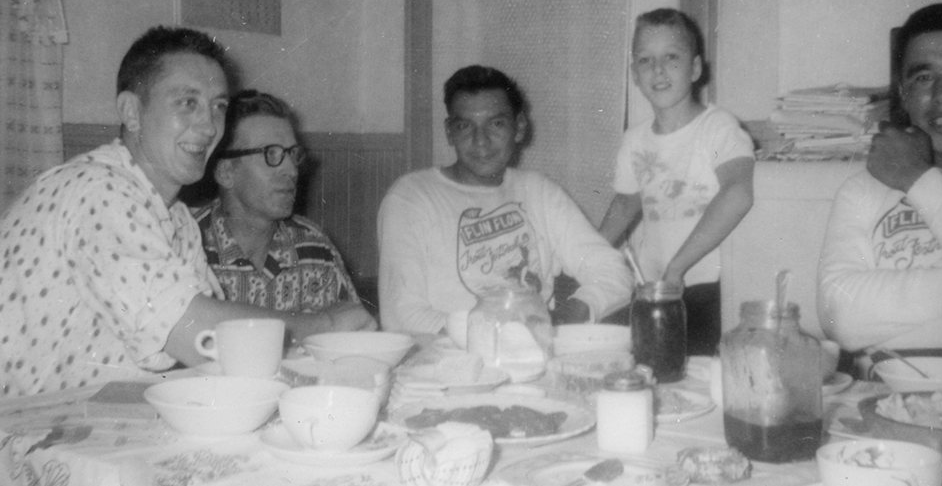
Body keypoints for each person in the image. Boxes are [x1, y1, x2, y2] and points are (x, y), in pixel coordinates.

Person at [0, 26, 375, 397]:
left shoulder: (176, 219)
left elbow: (210, 359)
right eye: (187, 102)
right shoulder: (99, 190)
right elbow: (198, 334)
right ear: (131, 111)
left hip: (72, 425)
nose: (209, 125)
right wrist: (324, 323)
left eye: (218, 107)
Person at [377, 64, 633, 335]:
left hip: (532, 361)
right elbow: (401, 315)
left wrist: (576, 310)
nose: (481, 141)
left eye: (496, 124)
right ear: (449, 132)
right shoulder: (410, 197)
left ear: (519, 128)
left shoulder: (540, 192)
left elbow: (613, 270)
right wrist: (499, 336)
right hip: (446, 365)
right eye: (465, 126)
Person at [818, 2, 942, 365]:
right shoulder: (863, 189)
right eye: (923, 78)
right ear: (903, 94)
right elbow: (838, 315)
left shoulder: (907, 178)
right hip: (884, 396)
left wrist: (916, 178)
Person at [598, 8, 755, 355]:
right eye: (645, 60)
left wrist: (677, 268)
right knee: (609, 343)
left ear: (695, 68)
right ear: (634, 75)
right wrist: (585, 257)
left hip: (710, 286)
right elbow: (625, 204)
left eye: (671, 57)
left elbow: (738, 193)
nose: (658, 70)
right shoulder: (635, 140)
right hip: (656, 286)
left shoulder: (718, 127)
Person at [192, 89, 361, 312]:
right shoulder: (190, 248)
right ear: (225, 172)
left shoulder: (312, 248)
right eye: (270, 154)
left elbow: (352, 335)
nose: (291, 170)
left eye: (293, 154)